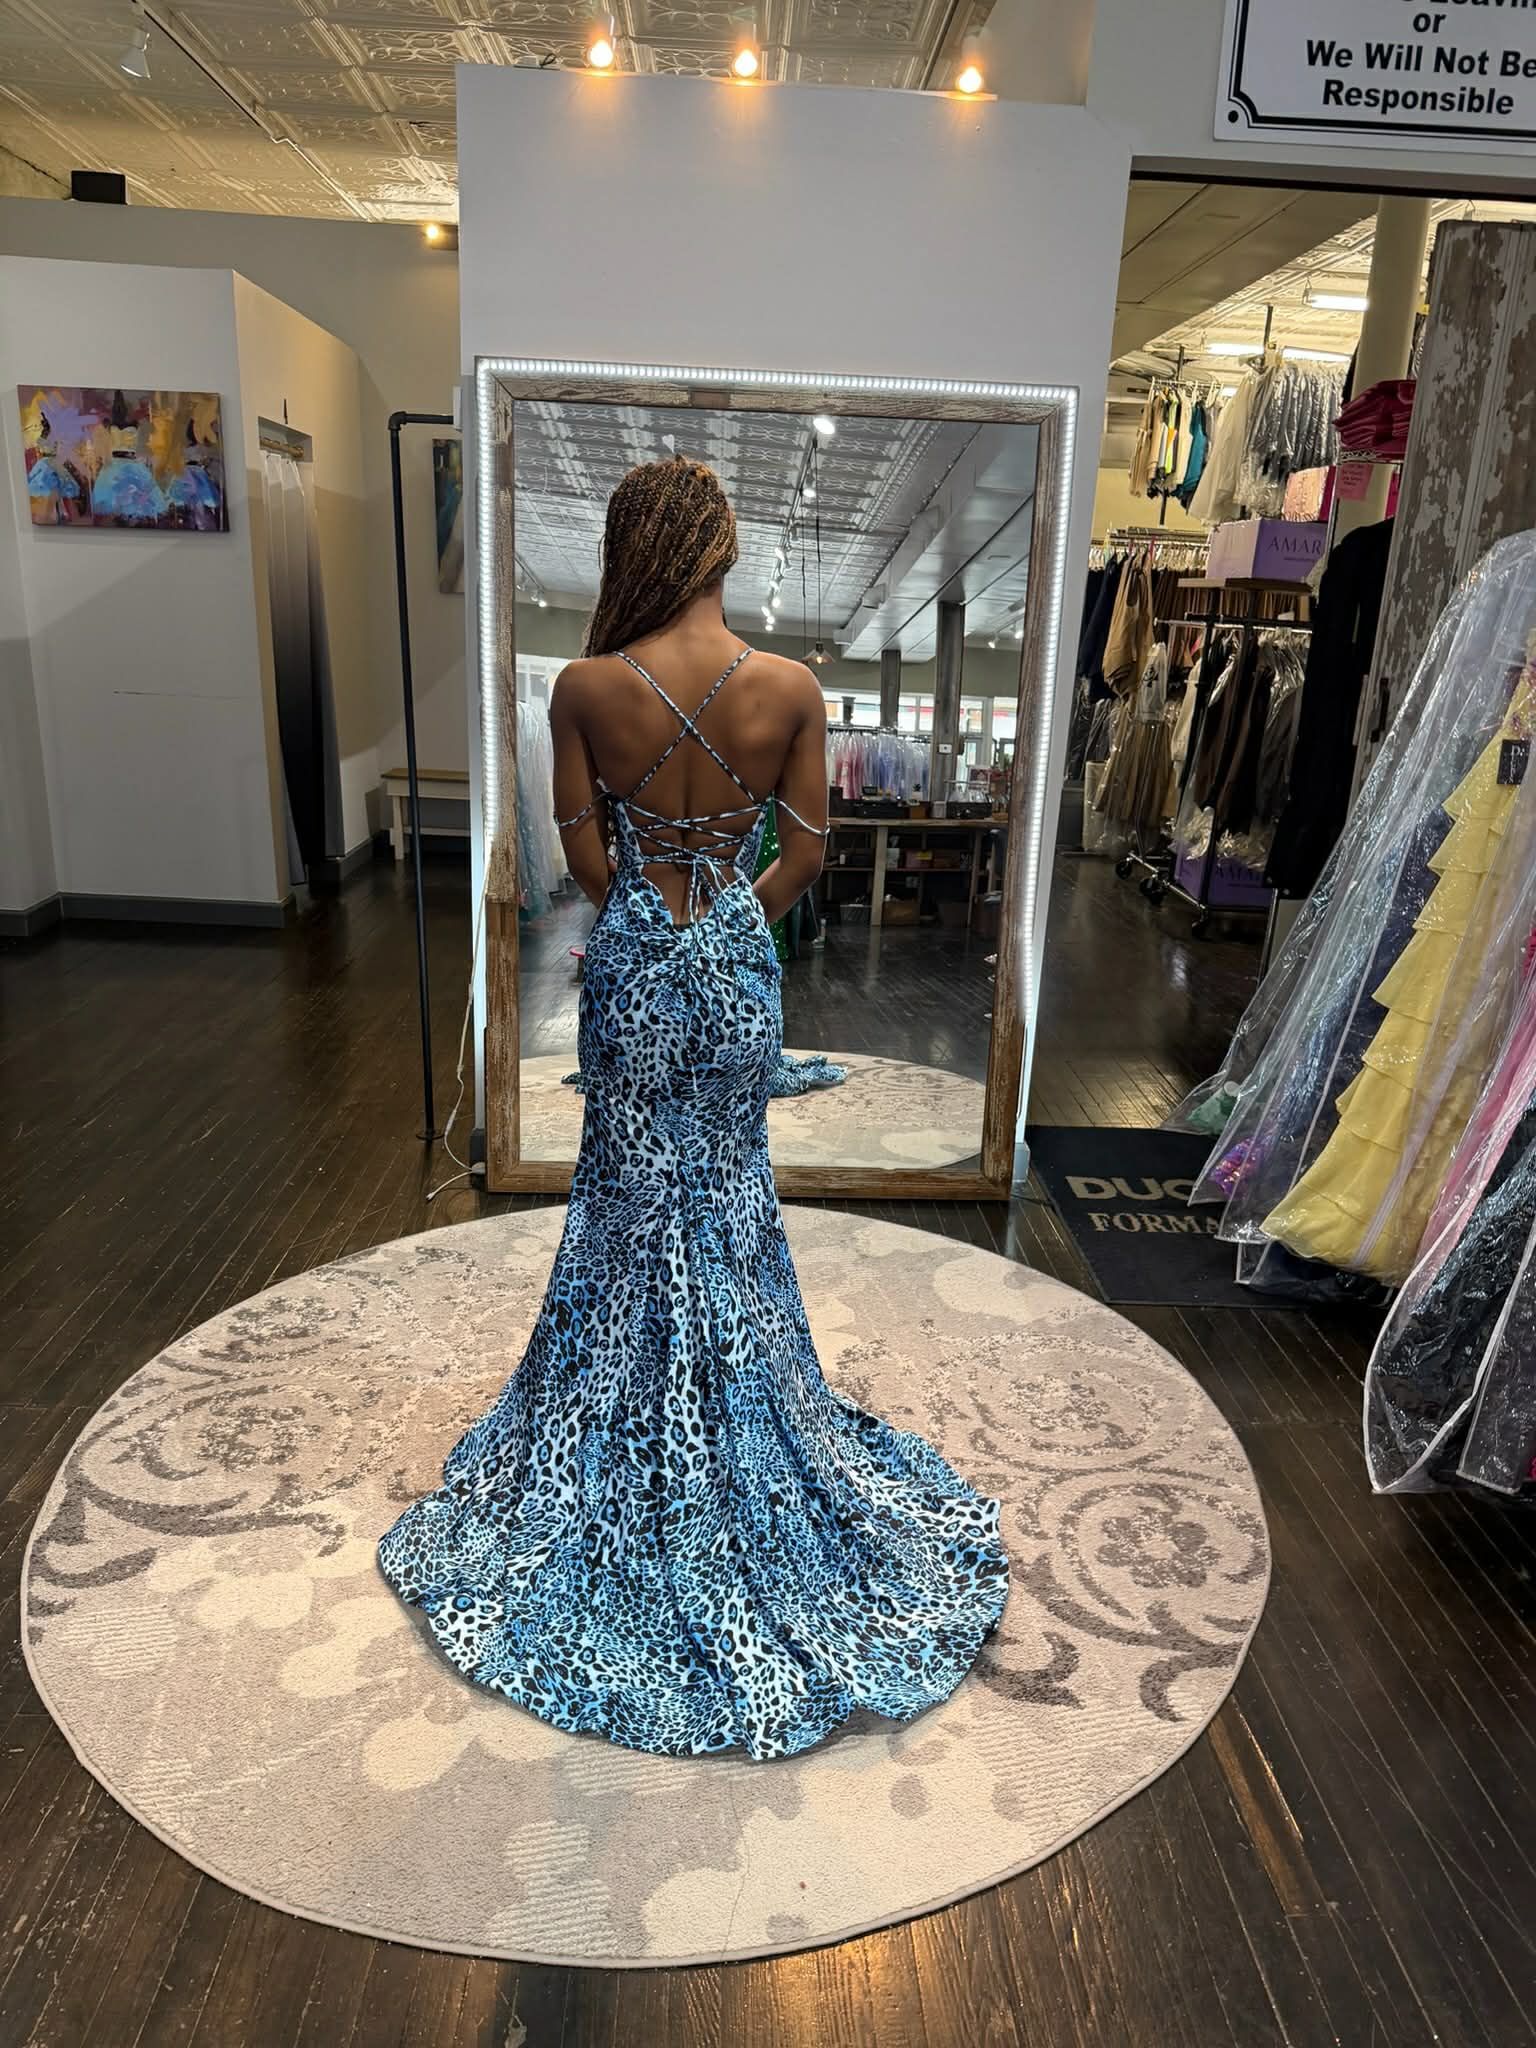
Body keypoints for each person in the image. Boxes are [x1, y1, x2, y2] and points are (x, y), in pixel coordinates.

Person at [378, 454, 1008, 1759]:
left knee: (621, 1198)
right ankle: (741, 1432)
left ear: (637, 550)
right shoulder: (791, 687)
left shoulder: (586, 687)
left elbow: (580, 850)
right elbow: (813, 849)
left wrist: (643, 929)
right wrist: (725, 921)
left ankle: (610, 1439)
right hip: (728, 966)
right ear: (720, 551)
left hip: (630, 967)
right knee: (726, 1202)